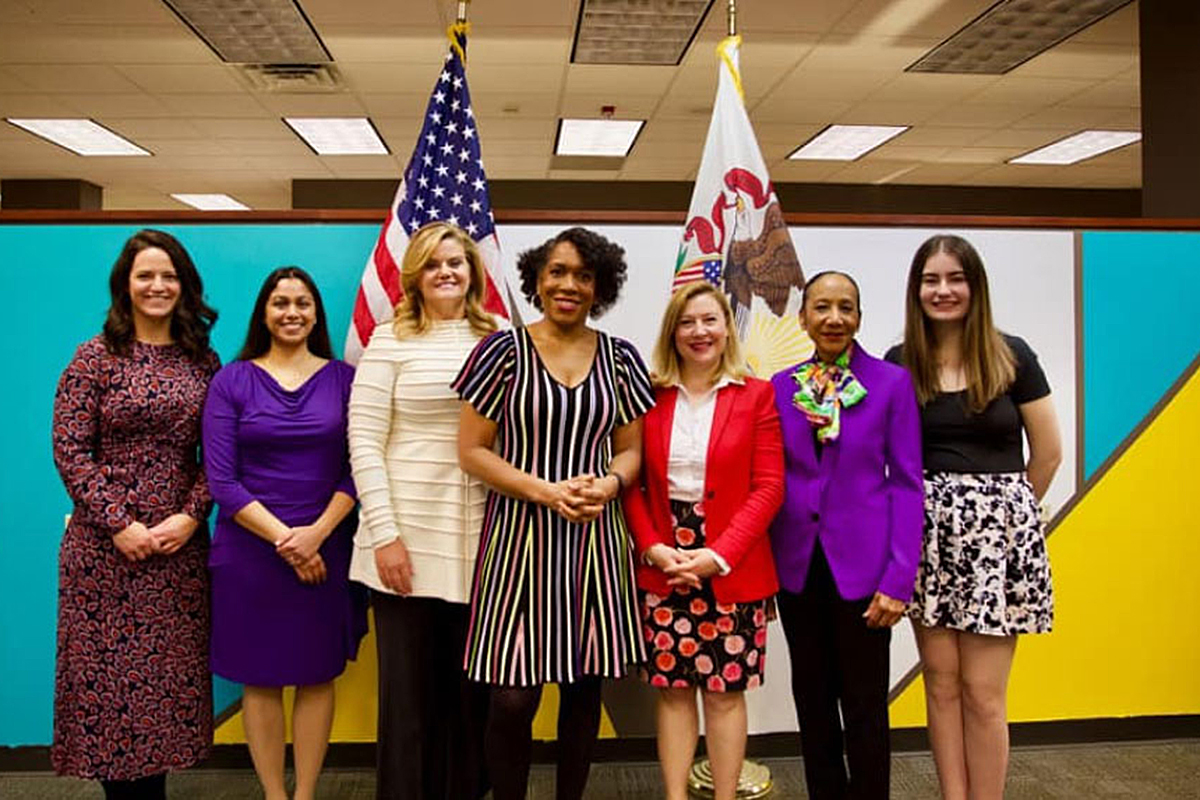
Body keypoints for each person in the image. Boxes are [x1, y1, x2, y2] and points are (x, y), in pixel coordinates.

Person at [453, 227, 655, 800]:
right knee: (512, 697)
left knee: (584, 687)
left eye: (584, 275)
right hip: (519, 542)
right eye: (558, 272)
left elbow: (632, 450)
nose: (570, 284)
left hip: (595, 543)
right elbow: (471, 452)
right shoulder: (500, 351)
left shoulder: (621, 358)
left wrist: (612, 483)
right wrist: (545, 491)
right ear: (536, 280)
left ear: (601, 287)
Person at [886, 235, 1061, 800]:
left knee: (984, 693)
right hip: (926, 539)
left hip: (997, 545)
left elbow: (1049, 452)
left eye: (955, 278)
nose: (943, 291)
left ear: (975, 285)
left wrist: (1001, 522)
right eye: (930, 280)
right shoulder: (899, 363)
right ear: (916, 290)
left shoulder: (1013, 356)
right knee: (940, 685)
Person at [51, 229, 219, 800]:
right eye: (145, 275)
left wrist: (193, 516)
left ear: (184, 285)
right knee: (110, 701)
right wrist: (119, 523)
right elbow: (70, 449)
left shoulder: (204, 361)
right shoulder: (94, 357)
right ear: (125, 284)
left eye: (168, 275)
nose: (157, 285)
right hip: (105, 555)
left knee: (161, 701)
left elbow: (218, 454)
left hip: (176, 553)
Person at [202, 267, 366, 800]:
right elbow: (221, 481)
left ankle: (307, 792)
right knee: (261, 677)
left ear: (317, 313)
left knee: (317, 673)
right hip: (250, 552)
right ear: (264, 313)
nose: (291, 312)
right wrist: (289, 541)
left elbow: (358, 468)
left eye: (302, 302)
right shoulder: (231, 380)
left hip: (328, 543)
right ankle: (274, 793)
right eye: (279, 302)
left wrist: (316, 534)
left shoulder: (345, 380)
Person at [347, 222, 497, 800]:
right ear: (414, 274)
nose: (446, 272)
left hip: (483, 540)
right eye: (434, 263)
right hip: (404, 539)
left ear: (473, 271)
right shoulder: (391, 339)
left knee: (469, 698)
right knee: (408, 702)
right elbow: (364, 440)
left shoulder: (498, 338)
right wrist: (385, 534)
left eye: (457, 262)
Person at [623, 282, 783, 800]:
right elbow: (632, 482)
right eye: (687, 322)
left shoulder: (757, 395)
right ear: (673, 331)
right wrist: (652, 546)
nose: (699, 332)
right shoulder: (648, 394)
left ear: (726, 329)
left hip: (732, 564)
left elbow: (769, 486)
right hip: (663, 562)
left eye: (709, 320)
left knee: (723, 694)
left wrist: (718, 556)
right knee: (671, 694)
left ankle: (723, 795)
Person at [770, 270, 924, 800]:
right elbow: (771, 480)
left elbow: (907, 484)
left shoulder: (890, 383)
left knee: (862, 705)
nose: (834, 318)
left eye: (846, 308)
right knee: (811, 702)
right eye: (822, 307)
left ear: (859, 316)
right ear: (804, 317)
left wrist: (900, 578)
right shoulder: (780, 387)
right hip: (796, 566)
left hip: (864, 570)